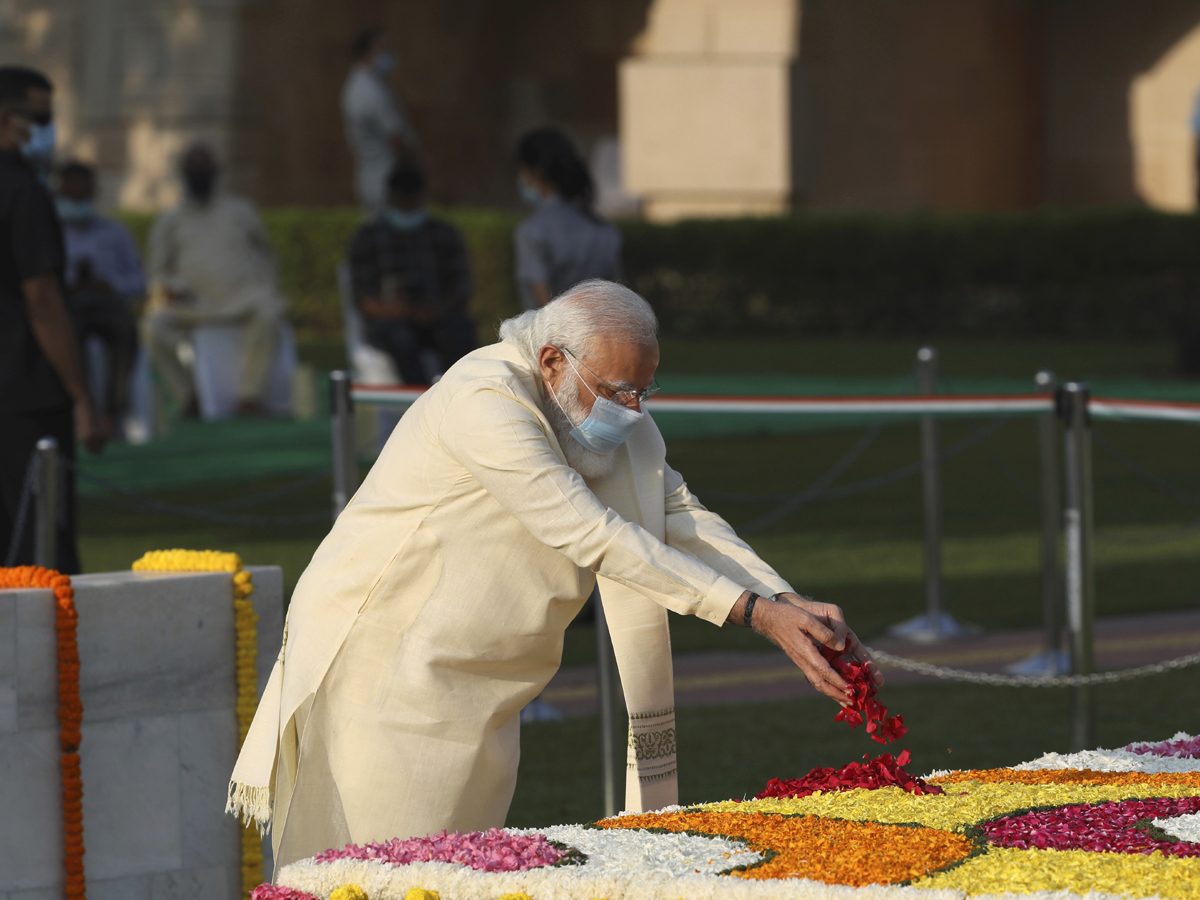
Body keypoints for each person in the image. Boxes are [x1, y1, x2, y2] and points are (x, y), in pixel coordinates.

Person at [228, 279, 881, 872]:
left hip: (483, 682)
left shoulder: (596, 411)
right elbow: (586, 531)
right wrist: (752, 614)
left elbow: (678, 513)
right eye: (617, 391)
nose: (631, 410)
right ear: (551, 361)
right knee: (374, 875)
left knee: (454, 875)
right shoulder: (482, 399)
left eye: (643, 391)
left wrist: (783, 598)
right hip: (384, 666)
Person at [0, 66, 105, 573]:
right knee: (42, 552)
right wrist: (84, 398)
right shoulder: (24, 192)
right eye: (39, 117)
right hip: (27, 394)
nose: (46, 128)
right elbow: (42, 300)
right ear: (8, 118)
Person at [144, 142, 287, 416]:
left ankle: (250, 397)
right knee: (154, 327)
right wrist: (171, 289)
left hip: (242, 300)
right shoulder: (169, 220)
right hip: (194, 305)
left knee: (268, 312)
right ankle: (191, 396)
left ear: (216, 172)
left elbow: (266, 254)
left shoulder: (241, 210)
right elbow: (157, 270)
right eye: (193, 169)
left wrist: (264, 286)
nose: (200, 174)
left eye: (205, 168)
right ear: (183, 174)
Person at [348, 162, 475, 385]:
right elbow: (363, 299)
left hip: (438, 317)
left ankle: (458, 390)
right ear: (390, 198)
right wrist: (401, 310)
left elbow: (460, 289)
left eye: (412, 201)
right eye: (402, 201)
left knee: (459, 331)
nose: (407, 207)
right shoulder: (368, 238)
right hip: (391, 322)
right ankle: (421, 399)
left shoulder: (443, 234)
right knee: (401, 338)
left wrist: (434, 310)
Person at [56, 160, 144, 430]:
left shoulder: (115, 232)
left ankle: (112, 411)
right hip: (69, 307)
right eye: (70, 187)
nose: (76, 191)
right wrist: (69, 286)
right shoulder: (51, 232)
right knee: (70, 336)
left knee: (126, 331)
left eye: (82, 186)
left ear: (93, 190)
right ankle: (84, 408)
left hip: (108, 305)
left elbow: (140, 281)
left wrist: (110, 284)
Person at [514, 127, 622, 310]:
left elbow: (542, 300)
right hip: (599, 329)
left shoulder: (534, 230)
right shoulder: (602, 228)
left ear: (535, 172)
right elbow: (616, 294)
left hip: (552, 335)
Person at [341, 26, 421, 212]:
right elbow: (397, 139)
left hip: (379, 181)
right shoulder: (368, 92)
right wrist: (418, 164)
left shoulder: (368, 85)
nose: (389, 56)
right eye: (383, 49)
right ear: (367, 52)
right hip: (385, 183)